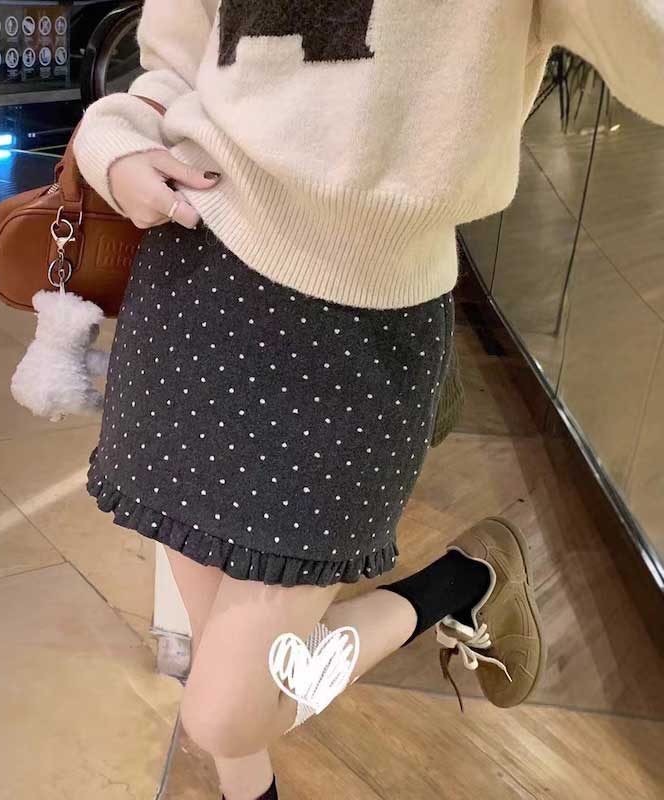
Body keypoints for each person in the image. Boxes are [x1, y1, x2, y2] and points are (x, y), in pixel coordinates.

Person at [74, 3, 664, 798]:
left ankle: (459, 583)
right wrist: (115, 144)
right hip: (198, 287)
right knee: (223, 658)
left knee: (226, 713)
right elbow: (174, 60)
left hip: (360, 336)